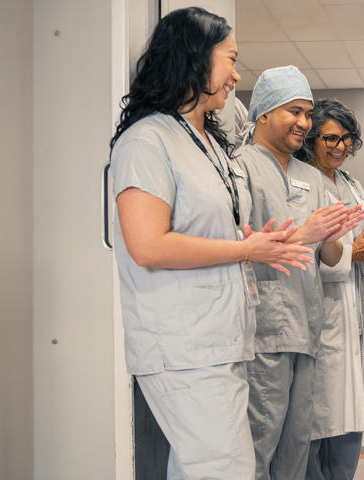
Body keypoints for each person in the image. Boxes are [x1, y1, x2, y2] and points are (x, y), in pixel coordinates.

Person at [109, 8, 315, 479]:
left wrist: (253, 240)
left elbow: (209, 231)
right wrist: (246, 250)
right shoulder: (147, 141)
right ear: (195, 59)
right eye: (231, 59)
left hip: (222, 342)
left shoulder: (206, 143)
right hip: (183, 346)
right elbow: (148, 246)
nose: (237, 75)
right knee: (228, 471)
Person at [238, 65, 364, 480]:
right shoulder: (239, 168)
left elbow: (327, 257)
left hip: (307, 328)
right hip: (262, 331)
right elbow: (238, 247)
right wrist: (307, 232)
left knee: (296, 447)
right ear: (263, 114)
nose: (304, 123)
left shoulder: (312, 177)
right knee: (259, 443)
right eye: (295, 111)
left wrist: (334, 237)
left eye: (307, 114)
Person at [293, 98, 364, 480]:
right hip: (325, 314)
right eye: (330, 138)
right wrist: (354, 254)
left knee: (352, 418)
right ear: (312, 140)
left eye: (347, 138)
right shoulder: (303, 183)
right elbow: (309, 255)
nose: (340, 146)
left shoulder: (353, 185)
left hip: (356, 313)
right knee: (321, 419)